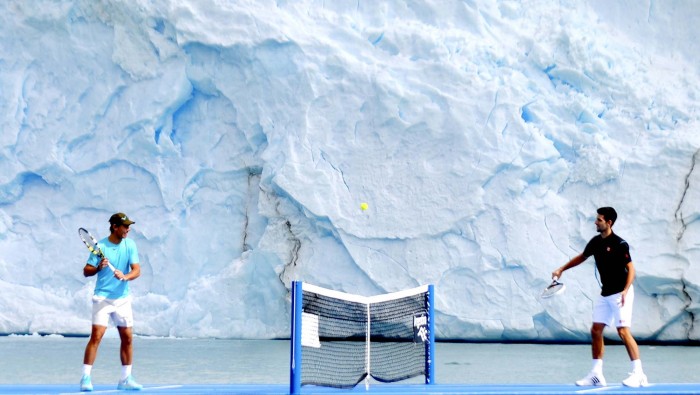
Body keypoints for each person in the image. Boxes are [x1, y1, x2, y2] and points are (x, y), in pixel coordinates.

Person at [551, 207, 648, 388]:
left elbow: (631, 269)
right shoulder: (595, 242)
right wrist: (561, 269)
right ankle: (596, 374)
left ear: (609, 222)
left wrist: (626, 291)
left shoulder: (620, 244)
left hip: (621, 292)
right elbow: (582, 257)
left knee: (623, 331)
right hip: (606, 293)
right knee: (596, 331)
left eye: (599, 220)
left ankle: (639, 373)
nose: (596, 222)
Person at [80, 213, 143, 391]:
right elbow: (86, 271)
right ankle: (85, 378)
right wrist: (99, 267)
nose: (128, 229)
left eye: (128, 226)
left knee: (128, 338)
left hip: (122, 299)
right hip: (102, 298)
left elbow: (136, 270)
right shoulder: (100, 246)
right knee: (97, 336)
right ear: (115, 227)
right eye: (124, 226)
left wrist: (125, 276)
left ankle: (125, 379)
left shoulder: (130, 245)